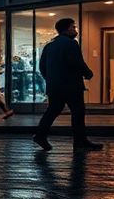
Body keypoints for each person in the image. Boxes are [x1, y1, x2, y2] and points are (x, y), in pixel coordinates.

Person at [34, 18, 102, 151]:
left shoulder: (50, 45)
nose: (75, 30)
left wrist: (51, 79)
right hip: (71, 85)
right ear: (66, 29)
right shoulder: (71, 43)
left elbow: (42, 66)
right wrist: (88, 73)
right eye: (73, 27)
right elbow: (76, 62)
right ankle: (80, 141)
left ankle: (40, 135)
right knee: (78, 112)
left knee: (53, 110)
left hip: (54, 86)